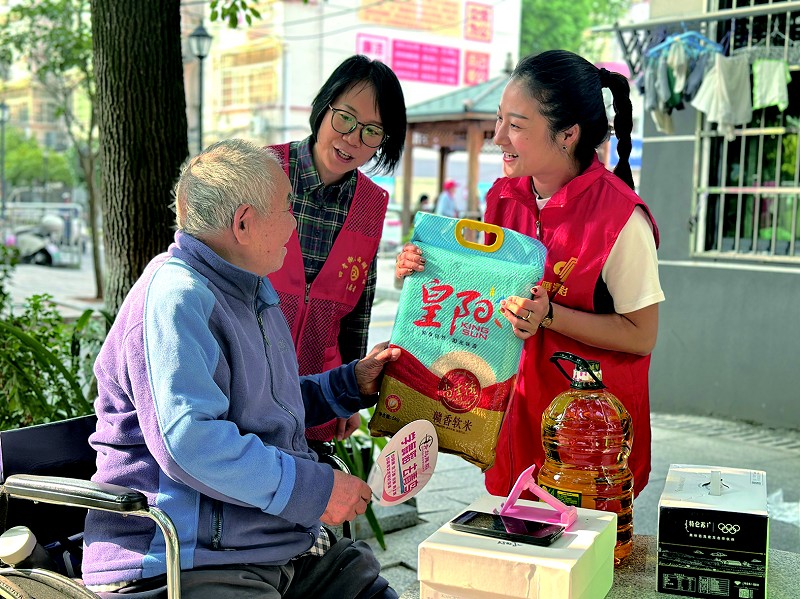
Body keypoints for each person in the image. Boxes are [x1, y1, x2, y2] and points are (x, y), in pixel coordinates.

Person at [82, 139, 401, 599]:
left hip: (268, 546)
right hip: (183, 560)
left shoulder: (251, 293)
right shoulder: (177, 297)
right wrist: (316, 491)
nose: (295, 222)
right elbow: (190, 442)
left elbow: (271, 405)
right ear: (244, 223)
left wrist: (350, 383)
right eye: (288, 208)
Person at [395, 50, 664, 499]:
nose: (498, 136)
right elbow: (478, 300)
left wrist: (551, 316)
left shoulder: (620, 218)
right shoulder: (502, 199)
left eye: (515, 125)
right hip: (512, 426)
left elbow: (642, 336)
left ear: (568, 135)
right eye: (500, 120)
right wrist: (426, 272)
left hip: (587, 443)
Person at [268, 55, 407, 443]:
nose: (351, 139)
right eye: (345, 118)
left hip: (321, 389)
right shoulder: (263, 171)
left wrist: (349, 397)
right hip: (247, 384)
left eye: (372, 131)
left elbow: (359, 308)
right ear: (323, 107)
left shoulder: (371, 204)